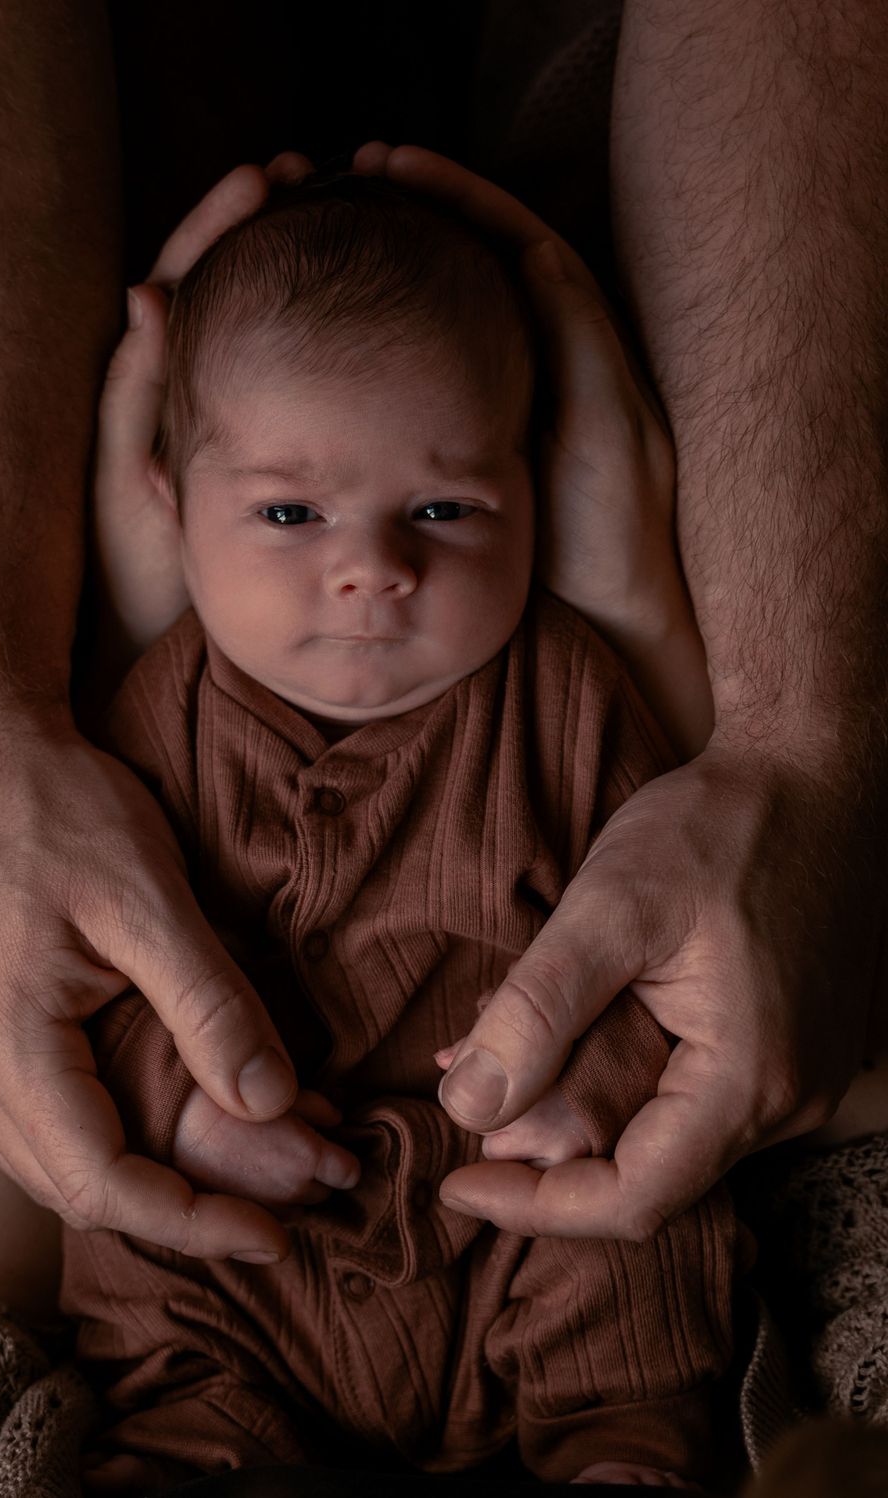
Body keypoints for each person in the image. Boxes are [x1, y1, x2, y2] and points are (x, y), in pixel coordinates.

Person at [62, 169, 739, 1490]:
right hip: (253, 1244)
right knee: (138, 1237)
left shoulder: (565, 693)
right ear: (168, 502)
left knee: (643, 1238)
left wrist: (590, 1099)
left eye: (443, 509)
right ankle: (187, 1453)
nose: (374, 565)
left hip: (511, 1211)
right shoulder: (157, 715)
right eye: (288, 513)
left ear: (530, 485)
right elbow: (93, 971)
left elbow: (668, 943)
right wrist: (179, 1112)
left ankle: (617, 1443)